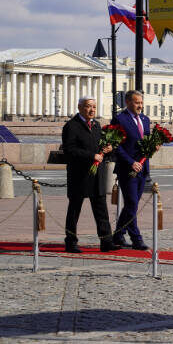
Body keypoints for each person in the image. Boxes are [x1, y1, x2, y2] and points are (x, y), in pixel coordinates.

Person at [62, 96, 120, 253]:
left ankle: (106, 241)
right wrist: (91, 156)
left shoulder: (96, 126)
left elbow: (100, 148)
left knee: (101, 210)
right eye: (88, 106)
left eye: (94, 107)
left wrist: (108, 149)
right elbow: (69, 150)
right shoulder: (71, 126)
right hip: (79, 175)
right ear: (80, 107)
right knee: (74, 210)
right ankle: (71, 242)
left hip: (97, 175)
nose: (92, 110)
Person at [111, 90, 153, 250]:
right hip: (127, 169)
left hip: (143, 168)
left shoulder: (145, 119)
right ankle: (136, 238)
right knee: (132, 203)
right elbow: (116, 145)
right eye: (137, 103)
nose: (140, 106)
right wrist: (130, 162)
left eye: (141, 103)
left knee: (131, 205)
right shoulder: (120, 119)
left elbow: (146, 139)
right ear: (128, 102)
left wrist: (153, 146)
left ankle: (118, 234)